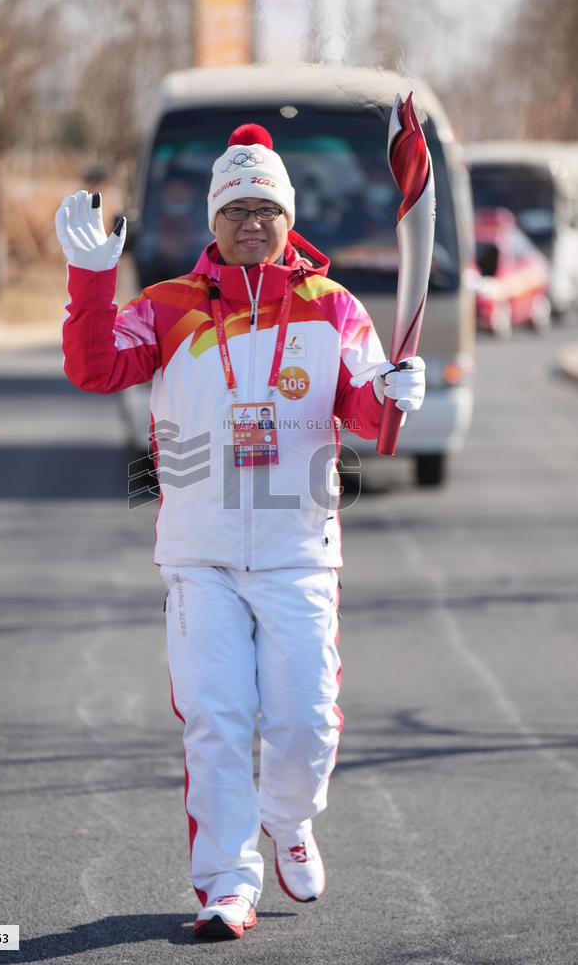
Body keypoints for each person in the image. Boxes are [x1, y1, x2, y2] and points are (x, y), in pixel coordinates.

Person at [55, 124, 426, 941]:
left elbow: (367, 408)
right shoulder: (166, 308)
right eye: (235, 210)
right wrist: (91, 280)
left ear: (288, 217)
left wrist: (395, 391)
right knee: (217, 722)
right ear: (213, 221)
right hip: (201, 555)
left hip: (298, 551)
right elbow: (95, 367)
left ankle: (289, 818)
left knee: (307, 721)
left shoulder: (332, 307)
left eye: (266, 209)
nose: (251, 223)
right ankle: (227, 883)